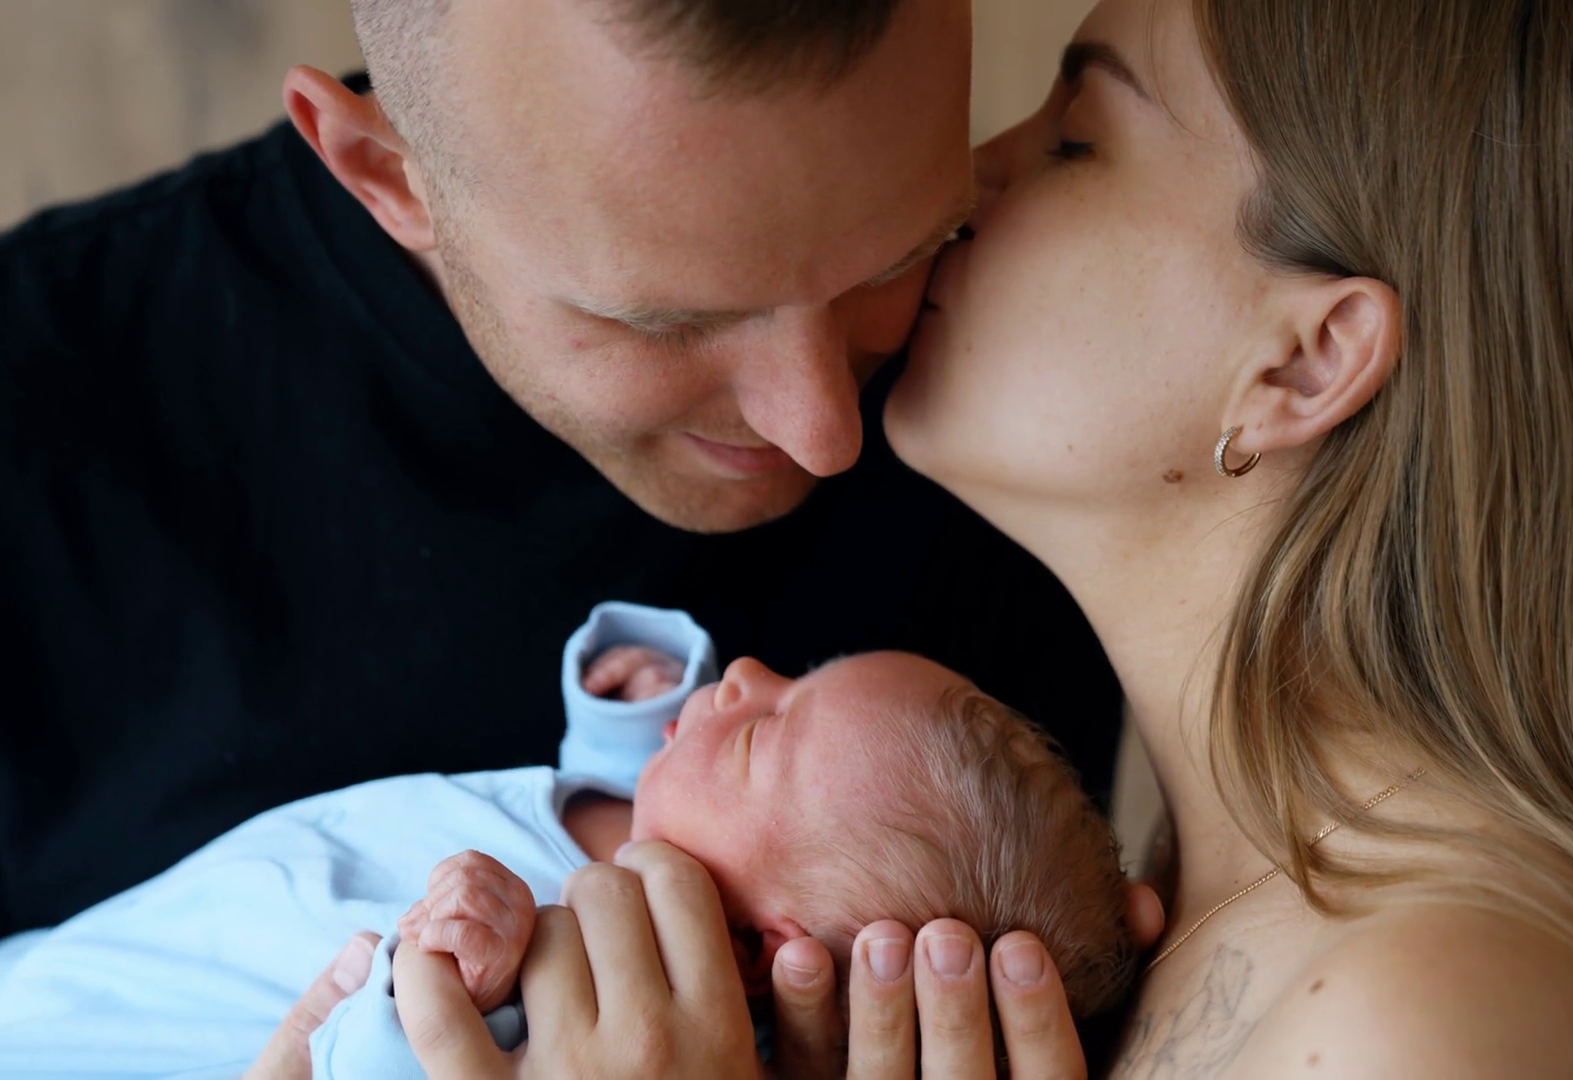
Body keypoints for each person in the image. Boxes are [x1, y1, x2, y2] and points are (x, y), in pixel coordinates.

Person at [392, 0, 1573, 1075]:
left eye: (1077, 140)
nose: (961, 183)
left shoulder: (1429, 1021)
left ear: (1306, 361)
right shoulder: (1196, 922)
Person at [0, 0, 1120, 967]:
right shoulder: (38, 412)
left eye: (900, 257)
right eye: (668, 321)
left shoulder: (1056, 395)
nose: (825, 432)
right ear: (385, 176)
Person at [0, 604, 1137, 1077]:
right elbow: (612, 804)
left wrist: (434, 978)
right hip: (67, 956)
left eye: (765, 730)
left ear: (752, 954)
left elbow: (382, 1063)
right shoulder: (663, 836)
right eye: (797, 674)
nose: (745, 671)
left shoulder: (594, 1009)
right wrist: (636, 717)